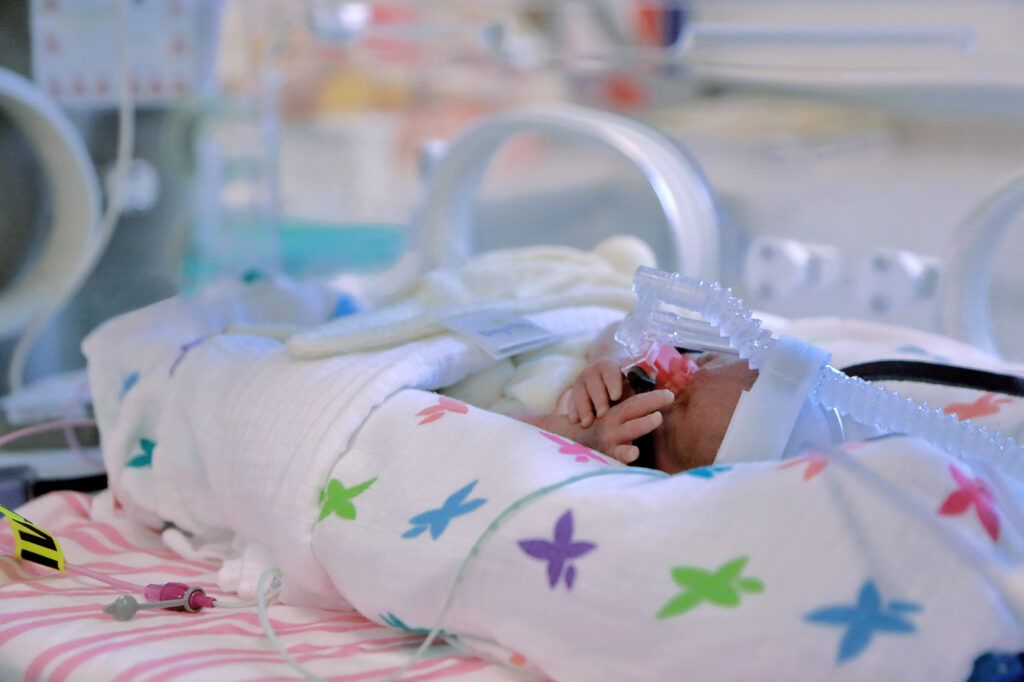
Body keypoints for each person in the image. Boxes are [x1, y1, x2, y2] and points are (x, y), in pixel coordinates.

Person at [518, 324, 759, 474]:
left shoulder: (624, 452)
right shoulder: (689, 364)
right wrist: (611, 356)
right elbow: (619, 326)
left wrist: (588, 437)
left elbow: (512, 429)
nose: (673, 375)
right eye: (702, 362)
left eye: (678, 409)